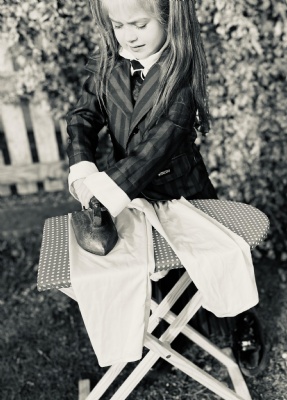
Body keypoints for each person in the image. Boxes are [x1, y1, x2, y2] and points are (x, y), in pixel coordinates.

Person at [66, 0, 267, 376]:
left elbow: (158, 146)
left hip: (183, 190)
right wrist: (82, 166)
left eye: (139, 25)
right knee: (144, 266)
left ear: (167, 17)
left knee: (218, 256)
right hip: (129, 190)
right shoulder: (107, 59)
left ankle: (240, 319)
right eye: (118, 26)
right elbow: (83, 115)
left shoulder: (181, 73)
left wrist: (103, 191)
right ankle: (162, 330)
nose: (128, 36)